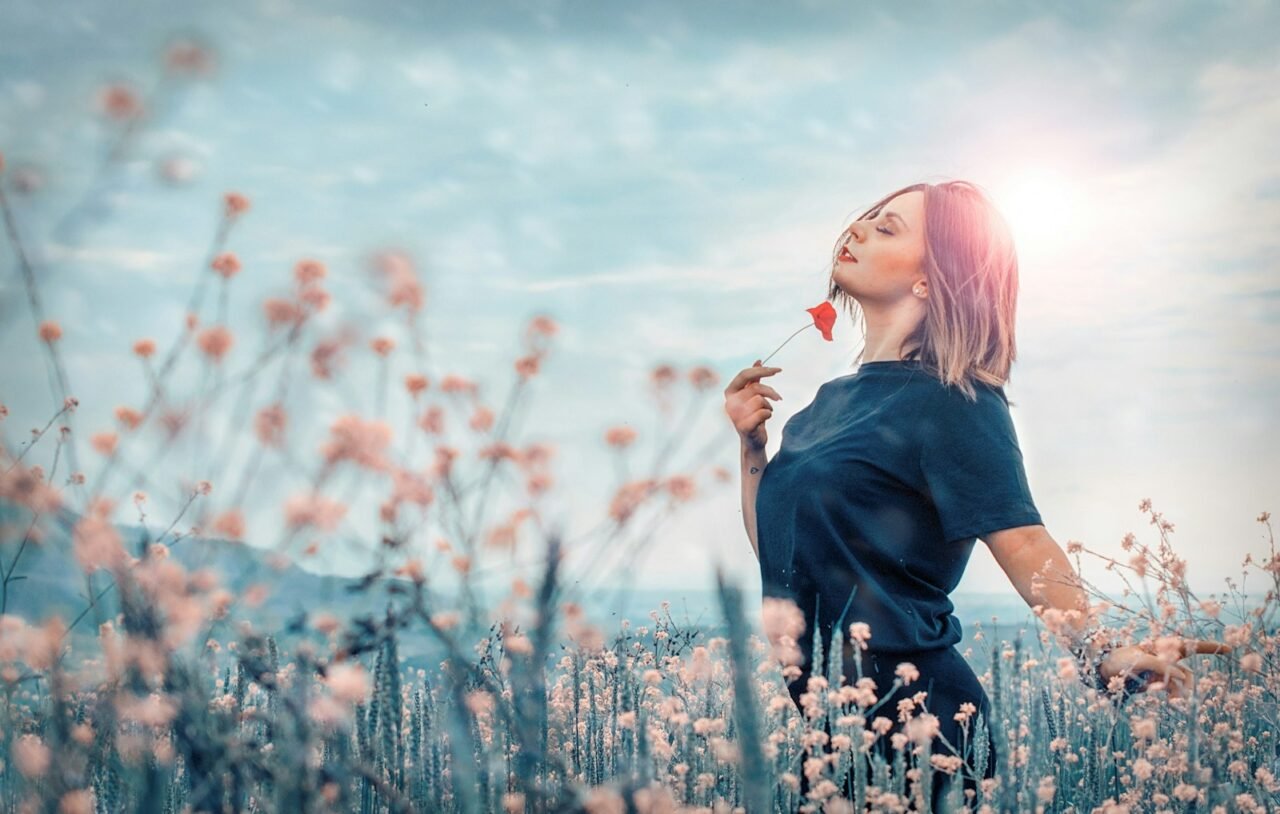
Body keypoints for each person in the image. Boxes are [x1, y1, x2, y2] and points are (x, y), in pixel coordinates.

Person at [722, 180, 1230, 811]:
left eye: (888, 229)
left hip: (919, 723)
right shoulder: (828, 404)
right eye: (868, 217)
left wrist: (1100, 651)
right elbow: (781, 550)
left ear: (930, 281)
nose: (857, 229)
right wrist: (752, 452)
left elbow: (1020, 536)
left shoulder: (955, 398)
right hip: (828, 730)